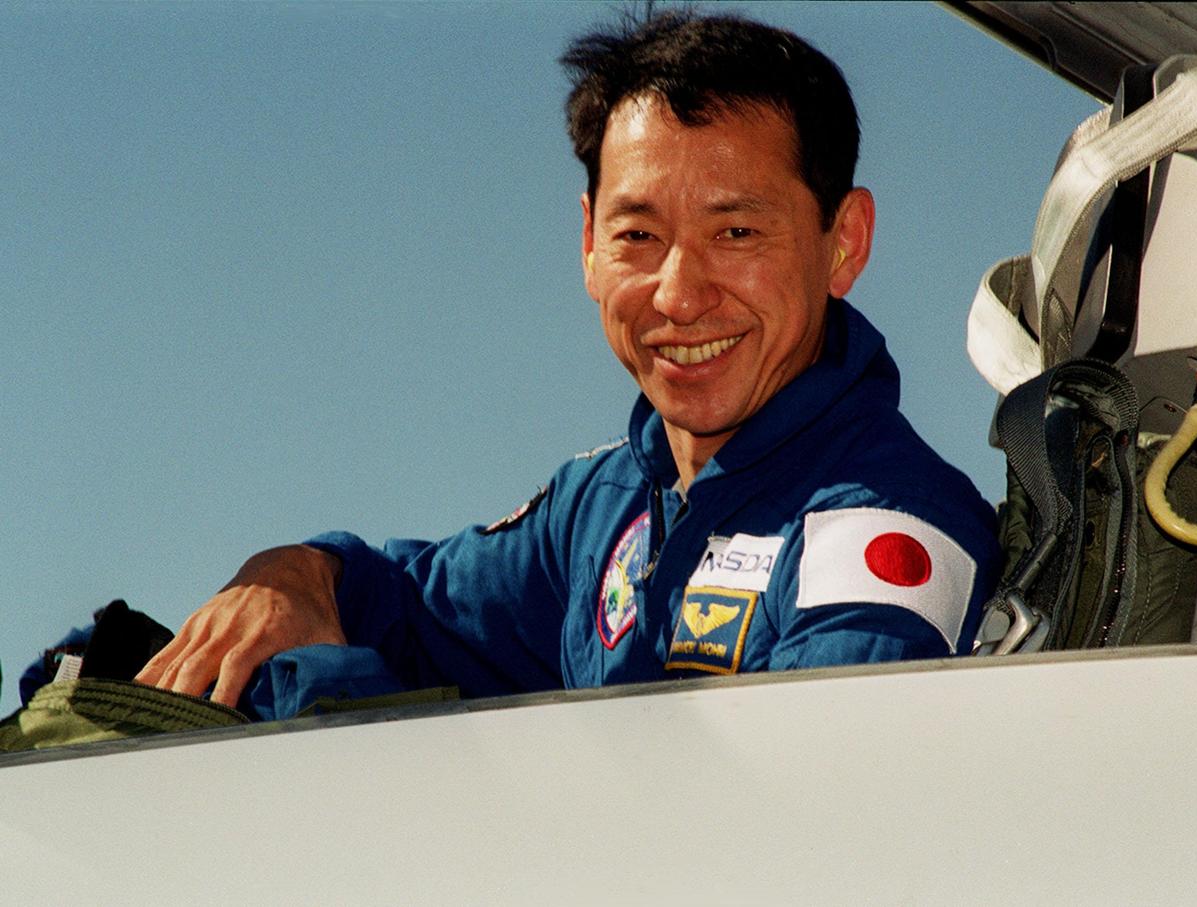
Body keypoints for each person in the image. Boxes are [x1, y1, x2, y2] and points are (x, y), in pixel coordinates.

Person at [135, 9, 1000, 710]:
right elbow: (397, 604)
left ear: (842, 242)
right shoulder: (605, 506)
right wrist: (287, 578)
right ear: (588, 244)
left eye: (736, 232)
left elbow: (790, 830)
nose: (676, 292)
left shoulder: (882, 533)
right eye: (639, 235)